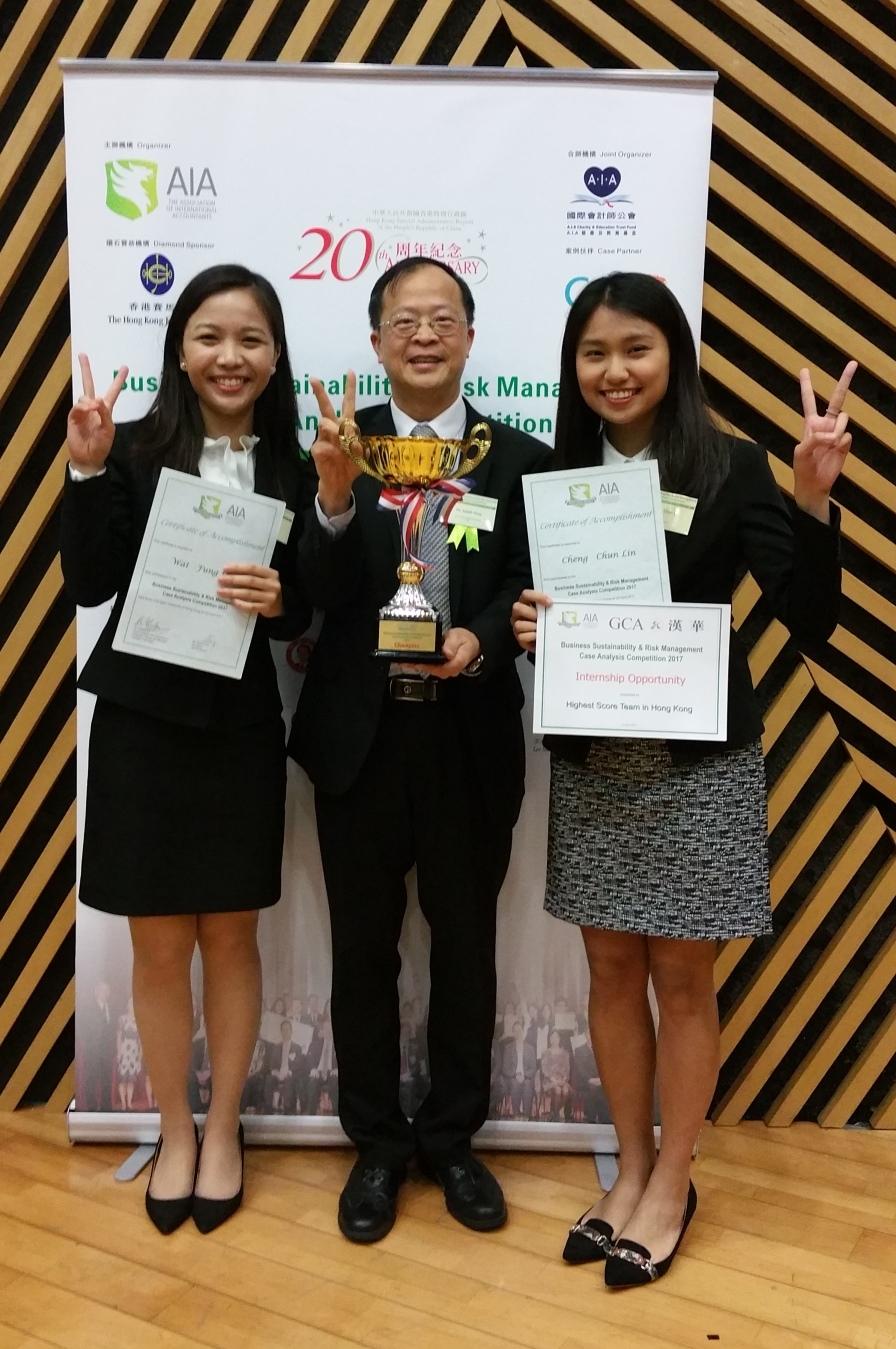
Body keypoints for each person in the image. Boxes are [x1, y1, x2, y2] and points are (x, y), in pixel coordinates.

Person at [512, 272, 852, 1288]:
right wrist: (526, 626)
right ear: (573, 369)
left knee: (680, 976)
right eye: (594, 353)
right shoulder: (554, 473)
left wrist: (810, 498)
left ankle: (669, 1177)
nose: (614, 371)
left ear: (672, 357)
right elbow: (531, 611)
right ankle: (623, 1166)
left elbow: (809, 618)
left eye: (635, 349)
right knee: (610, 970)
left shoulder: (727, 463)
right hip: (593, 761)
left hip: (698, 762)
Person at [290, 256, 551, 1242]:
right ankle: (376, 1143)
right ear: (375, 341)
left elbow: (524, 576)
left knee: (465, 945)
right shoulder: (336, 447)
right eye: (404, 319)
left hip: (466, 736)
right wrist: (327, 497)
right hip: (360, 736)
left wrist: (481, 635)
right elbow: (308, 588)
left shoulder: (513, 457)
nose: (424, 334)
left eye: (442, 317)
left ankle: (449, 1138)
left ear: (470, 337)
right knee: (361, 950)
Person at [61, 264, 309, 1235]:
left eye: (249, 338)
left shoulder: (295, 463)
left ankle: (224, 1126)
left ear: (275, 354)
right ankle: (173, 1126)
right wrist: (84, 471)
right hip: (144, 727)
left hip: (240, 727)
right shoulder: (127, 447)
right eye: (209, 336)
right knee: (159, 942)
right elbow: (89, 585)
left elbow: (321, 586)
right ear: (180, 348)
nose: (229, 356)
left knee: (231, 935)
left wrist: (287, 595)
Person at [539, 1029, 571, 1121]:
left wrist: (564, 1079)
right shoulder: (545, 1053)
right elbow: (544, 1069)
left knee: (565, 1090)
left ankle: (553, 1113)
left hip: (562, 1080)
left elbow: (567, 1069)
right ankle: (556, 1115)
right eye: (552, 1037)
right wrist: (553, 1079)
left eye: (556, 1037)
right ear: (549, 1039)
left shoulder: (565, 1053)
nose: (554, 1039)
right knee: (557, 1090)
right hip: (550, 1080)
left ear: (559, 1039)